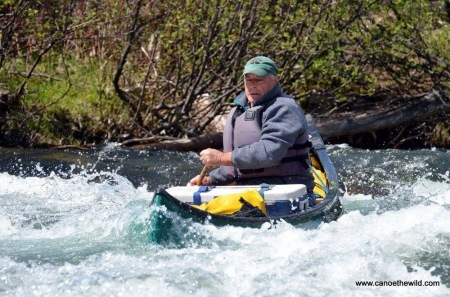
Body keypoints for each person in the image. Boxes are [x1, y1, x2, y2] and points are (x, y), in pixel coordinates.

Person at [189, 56, 315, 205]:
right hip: (250, 191)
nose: (253, 85)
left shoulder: (285, 108)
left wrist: (222, 158)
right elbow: (236, 166)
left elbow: (269, 153)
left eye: (259, 79)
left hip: (287, 189)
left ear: (275, 80)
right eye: (249, 79)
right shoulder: (239, 112)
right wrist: (212, 179)